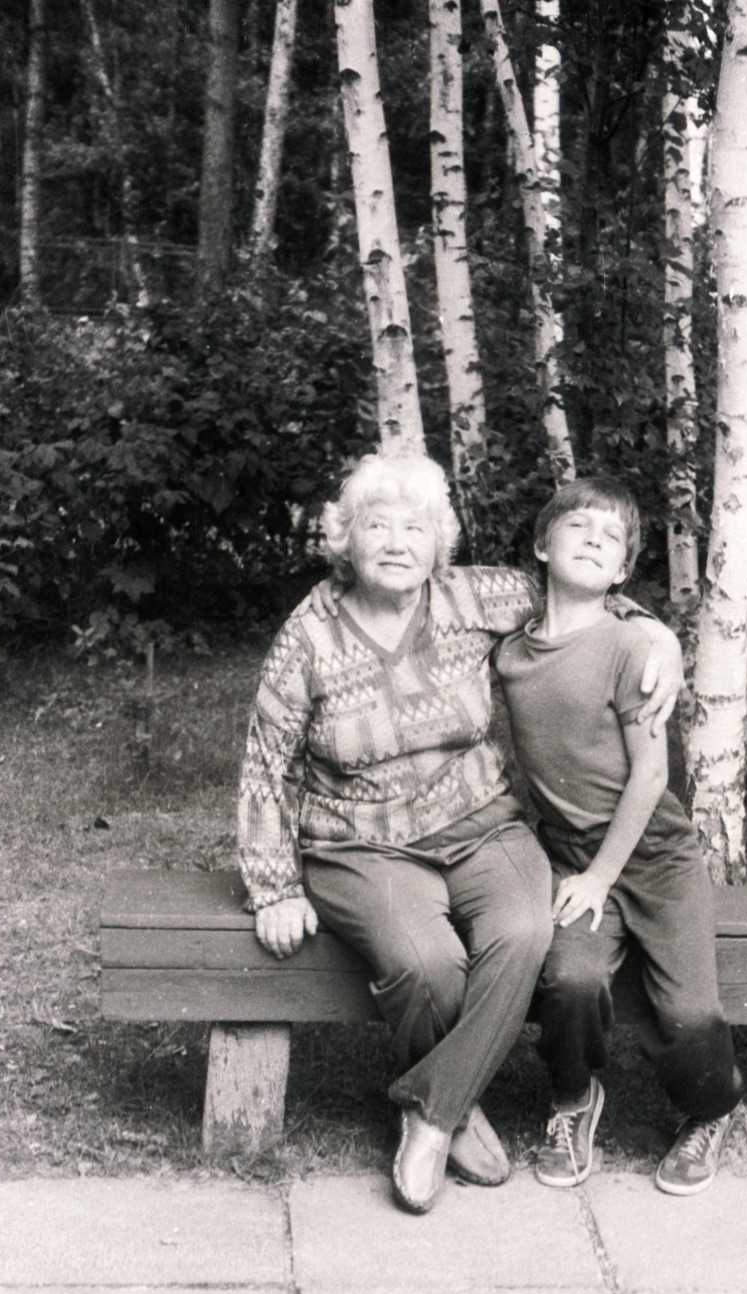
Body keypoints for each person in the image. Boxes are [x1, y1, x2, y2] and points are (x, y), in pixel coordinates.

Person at [237, 453, 683, 1214]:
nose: (397, 542)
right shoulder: (309, 634)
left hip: (479, 824)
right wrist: (274, 886)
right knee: (426, 962)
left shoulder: (472, 596)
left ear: (437, 541)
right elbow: (263, 762)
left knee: (523, 931)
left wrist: (655, 633)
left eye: (416, 527)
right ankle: (456, 1110)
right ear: (348, 539)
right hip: (360, 841)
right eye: (378, 525)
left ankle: (430, 1111)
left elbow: (576, 591)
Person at [494, 475, 743, 1196]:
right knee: (569, 983)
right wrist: (585, 874)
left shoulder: (634, 648)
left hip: (655, 859)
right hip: (570, 857)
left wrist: (603, 878)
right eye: (578, 527)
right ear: (543, 545)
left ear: (625, 570)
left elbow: (648, 777)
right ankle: (573, 1101)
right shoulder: (510, 652)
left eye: (612, 537)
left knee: (692, 1018)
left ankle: (711, 1111)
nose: (595, 539)